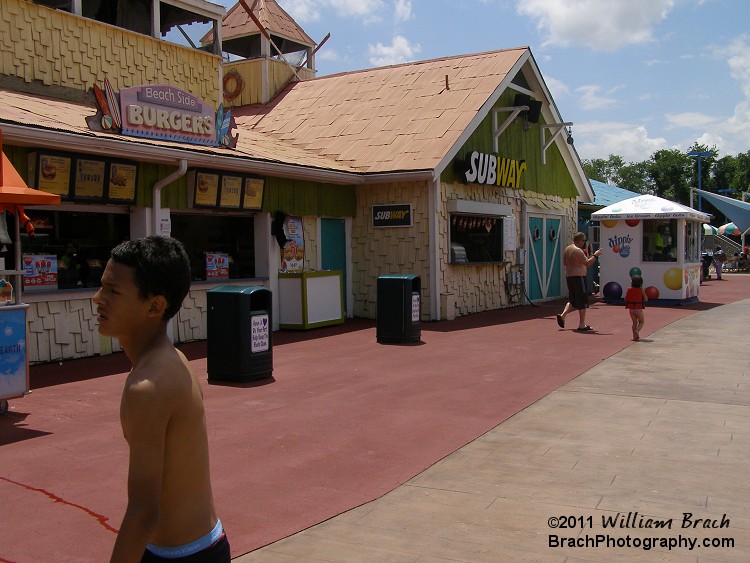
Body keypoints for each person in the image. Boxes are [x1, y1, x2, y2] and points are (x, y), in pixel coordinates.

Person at [93, 236, 229, 563]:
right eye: (102, 286)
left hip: (181, 556)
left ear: (155, 306)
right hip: (202, 545)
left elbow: (143, 512)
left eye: (113, 291)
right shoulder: (173, 359)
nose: (98, 299)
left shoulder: (147, 387)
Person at [556, 232, 603, 331]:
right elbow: (587, 263)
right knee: (582, 301)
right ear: (579, 240)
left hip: (570, 277)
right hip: (578, 277)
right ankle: (582, 324)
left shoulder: (568, 249)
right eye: (583, 240)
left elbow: (565, 262)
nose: (584, 242)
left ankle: (563, 315)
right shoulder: (578, 251)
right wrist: (595, 255)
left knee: (573, 301)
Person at [624, 274, 648, 341]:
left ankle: (634, 337)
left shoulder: (629, 290)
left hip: (631, 310)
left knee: (634, 323)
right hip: (638, 309)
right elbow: (646, 299)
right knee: (641, 322)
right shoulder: (642, 290)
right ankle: (637, 331)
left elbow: (625, 299)